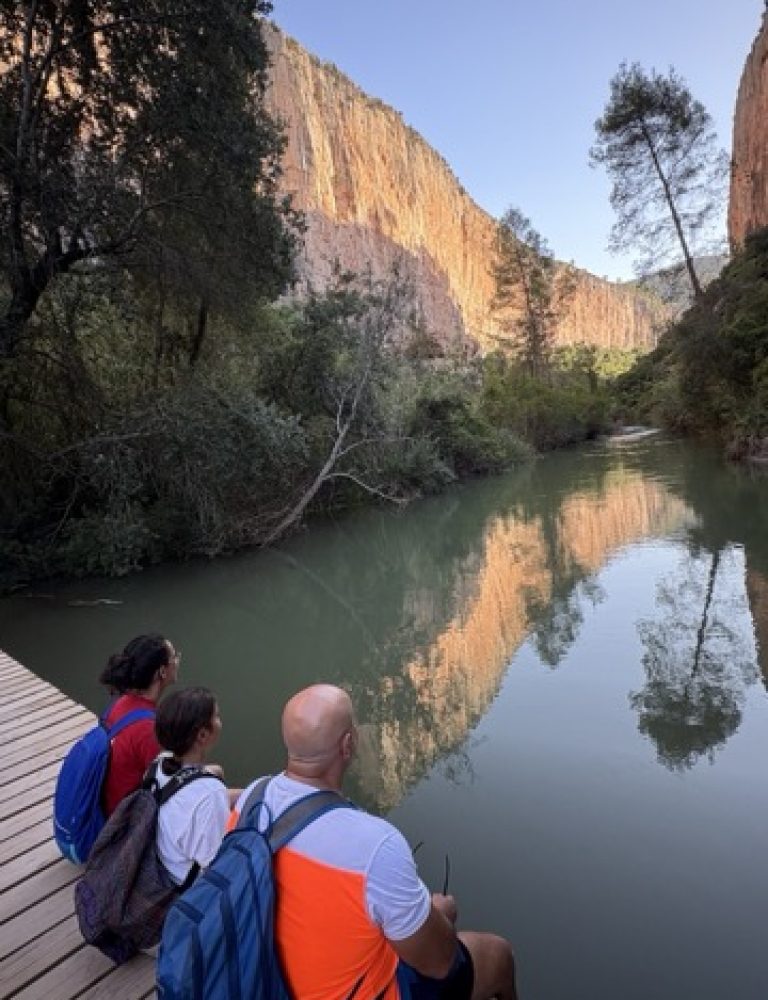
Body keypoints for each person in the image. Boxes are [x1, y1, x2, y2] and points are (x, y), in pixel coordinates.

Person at [230, 684, 519, 1000]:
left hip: (262, 976)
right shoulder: (375, 844)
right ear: (348, 744)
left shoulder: (251, 800)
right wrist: (440, 914)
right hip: (352, 991)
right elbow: (438, 963)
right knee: (498, 955)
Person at [153, 687, 234, 884]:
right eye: (216, 716)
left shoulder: (159, 764)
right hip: (186, 888)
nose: (219, 721)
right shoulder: (210, 795)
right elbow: (217, 866)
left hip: (165, 863)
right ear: (203, 735)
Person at [99, 633, 180, 817]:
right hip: (123, 822)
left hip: (107, 805)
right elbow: (174, 788)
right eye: (174, 656)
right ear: (162, 671)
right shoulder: (149, 729)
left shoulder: (122, 703)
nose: (177, 661)